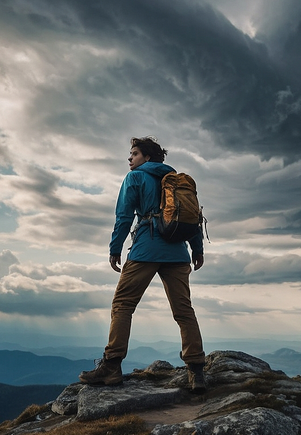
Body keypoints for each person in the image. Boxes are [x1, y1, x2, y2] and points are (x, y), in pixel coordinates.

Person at [79, 136, 206, 393]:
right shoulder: (179, 181)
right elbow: (191, 215)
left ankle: (111, 366)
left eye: (134, 153)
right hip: (178, 253)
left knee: (123, 305)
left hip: (146, 248)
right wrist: (197, 249)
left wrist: (115, 248)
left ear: (147, 157)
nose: (130, 158)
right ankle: (197, 372)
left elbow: (124, 215)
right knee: (184, 311)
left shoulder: (135, 178)